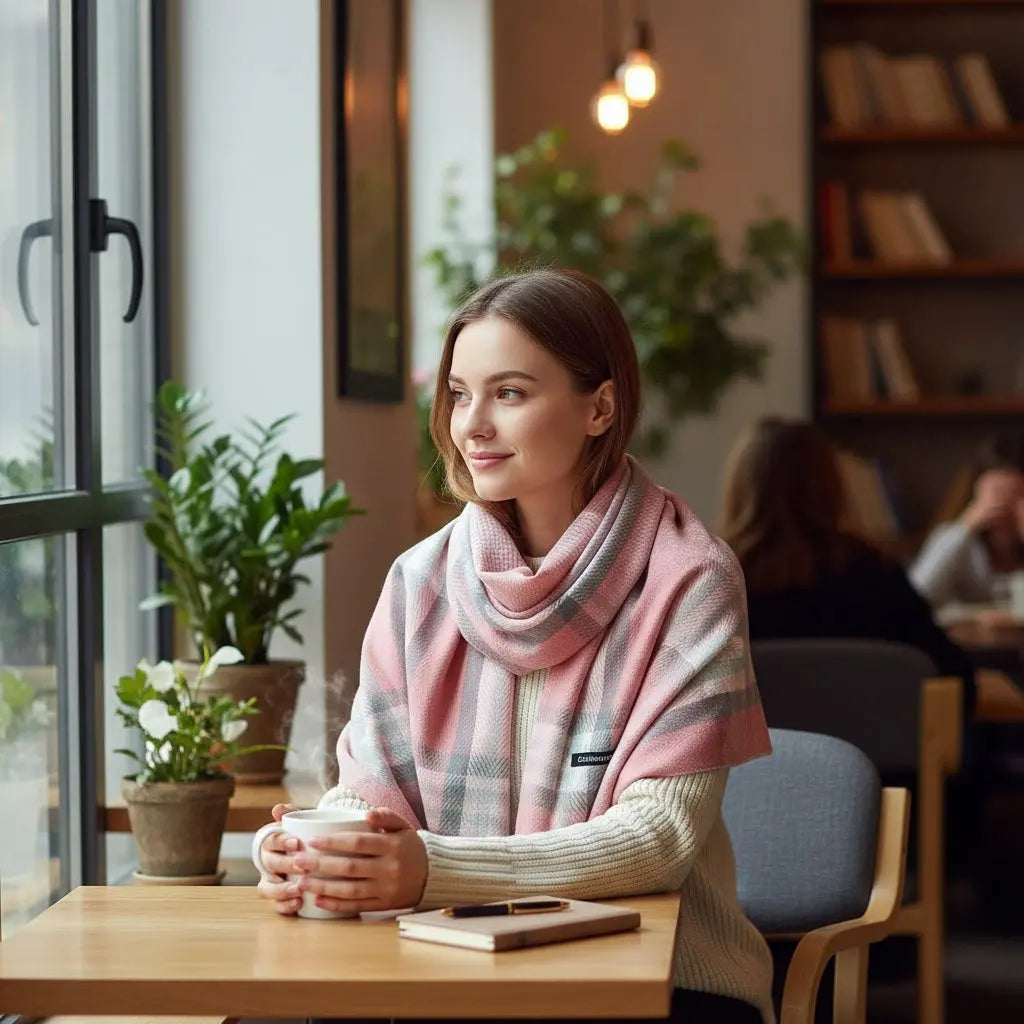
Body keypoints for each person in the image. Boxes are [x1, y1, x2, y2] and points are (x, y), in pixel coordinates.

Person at [256, 269, 774, 1024]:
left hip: (664, 981)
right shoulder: (420, 581)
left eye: (509, 393)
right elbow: (370, 793)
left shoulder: (690, 577)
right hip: (446, 966)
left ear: (600, 407)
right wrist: (321, 855)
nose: (471, 425)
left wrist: (430, 868)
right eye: (460, 394)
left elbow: (659, 837)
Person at [718, 416, 975, 712]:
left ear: (739, 489)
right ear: (831, 485)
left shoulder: (712, 585)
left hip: (757, 759)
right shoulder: (877, 574)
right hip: (877, 758)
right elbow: (958, 681)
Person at [909, 432, 1024, 609]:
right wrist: (966, 527)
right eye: (998, 495)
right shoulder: (959, 539)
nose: (1004, 509)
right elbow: (917, 598)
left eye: (1017, 497)